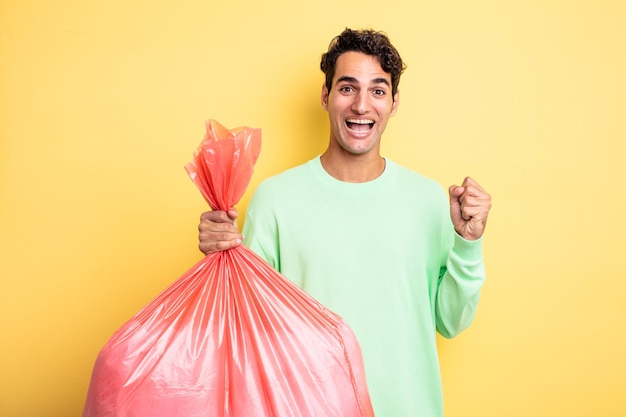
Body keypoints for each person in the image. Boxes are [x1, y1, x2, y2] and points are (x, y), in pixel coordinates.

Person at [198, 28, 492, 417]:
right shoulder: (276, 200)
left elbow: (450, 322)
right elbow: (245, 329)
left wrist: (468, 244)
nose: (361, 106)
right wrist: (219, 259)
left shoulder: (428, 200)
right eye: (348, 88)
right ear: (326, 96)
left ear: (394, 102)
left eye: (378, 90)